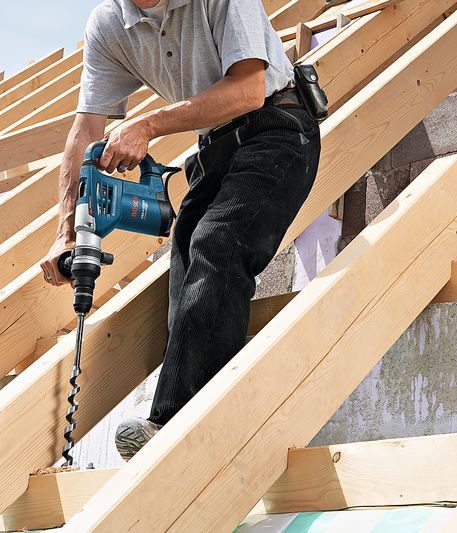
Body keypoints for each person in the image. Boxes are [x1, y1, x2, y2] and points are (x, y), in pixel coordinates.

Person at [39, 0, 321, 461]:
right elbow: (87, 127)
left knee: (219, 242)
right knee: (187, 257)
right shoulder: (109, 23)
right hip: (215, 146)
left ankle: (176, 427)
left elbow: (249, 89)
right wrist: (65, 232)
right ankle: (180, 424)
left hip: (279, 127)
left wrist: (147, 125)